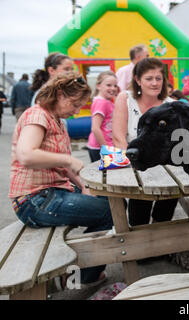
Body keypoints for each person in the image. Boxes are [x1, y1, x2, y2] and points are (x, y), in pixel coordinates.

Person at [9, 71, 113, 286]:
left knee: (108, 199)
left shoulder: (56, 120)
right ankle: (82, 276)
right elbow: (26, 154)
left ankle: (77, 266)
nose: (76, 111)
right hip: (33, 200)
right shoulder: (37, 115)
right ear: (59, 94)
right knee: (110, 212)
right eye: (74, 104)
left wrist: (83, 185)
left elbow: (60, 166)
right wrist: (67, 161)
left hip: (50, 193)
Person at [112, 58, 178, 227]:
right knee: (138, 215)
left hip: (165, 169)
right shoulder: (125, 98)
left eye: (159, 78)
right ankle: (141, 245)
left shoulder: (171, 105)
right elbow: (118, 137)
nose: (155, 83)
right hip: (133, 164)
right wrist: (135, 165)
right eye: (149, 78)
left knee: (164, 212)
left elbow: (174, 143)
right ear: (138, 80)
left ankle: (160, 246)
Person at [87, 71, 118, 162]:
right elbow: (95, 128)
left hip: (103, 146)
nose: (113, 88)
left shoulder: (106, 101)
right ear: (99, 86)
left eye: (115, 86)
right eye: (109, 85)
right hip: (100, 147)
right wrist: (105, 149)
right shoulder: (102, 102)